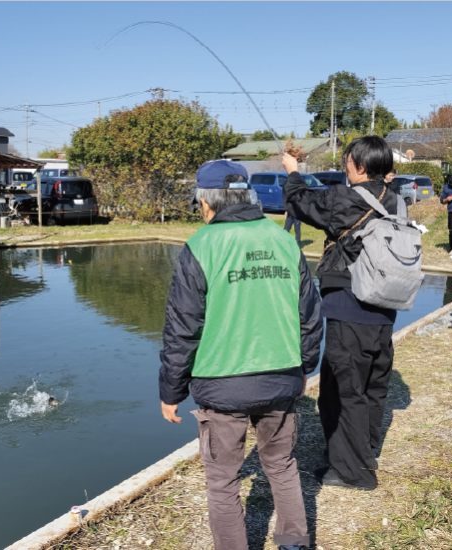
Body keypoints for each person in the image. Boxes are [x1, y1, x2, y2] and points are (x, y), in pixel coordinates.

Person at [159, 159, 323, 550]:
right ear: (246, 195)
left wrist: (170, 391)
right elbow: (310, 315)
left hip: (222, 384)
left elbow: (182, 329)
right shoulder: (283, 240)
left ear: (205, 201)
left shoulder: (201, 245)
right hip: (282, 376)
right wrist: (304, 368)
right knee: (282, 465)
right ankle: (295, 543)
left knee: (222, 481)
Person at [283, 136, 401, 491]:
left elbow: (301, 203)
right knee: (371, 386)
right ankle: (364, 451)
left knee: (342, 389)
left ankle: (354, 472)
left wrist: (292, 171)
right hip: (383, 309)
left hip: (350, 308)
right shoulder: (393, 198)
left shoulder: (347, 198)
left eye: (347, 160)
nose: (344, 165)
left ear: (361, 166)